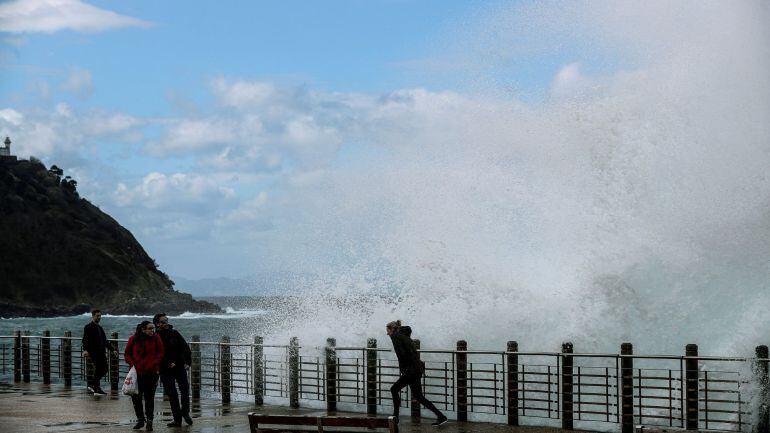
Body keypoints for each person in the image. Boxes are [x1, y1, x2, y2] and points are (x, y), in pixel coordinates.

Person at [387, 320, 448, 427]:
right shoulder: (405, 336)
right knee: (419, 396)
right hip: (417, 369)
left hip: (411, 371)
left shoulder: (396, 336)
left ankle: (395, 417)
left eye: (388, 331)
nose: (387, 334)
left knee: (394, 389)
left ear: (392, 329)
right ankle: (441, 416)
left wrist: (405, 369)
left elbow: (402, 354)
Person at [153, 313, 193, 427]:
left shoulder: (174, 333)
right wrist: (167, 363)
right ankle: (177, 420)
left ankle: (185, 413)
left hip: (179, 366)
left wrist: (187, 362)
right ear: (157, 324)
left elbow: (185, 347)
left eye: (167, 320)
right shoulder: (155, 337)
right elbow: (157, 353)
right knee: (172, 394)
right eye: (163, 321)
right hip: (165, 369)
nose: (166, 323)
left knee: (185, 390)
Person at [125, 320, 164, 431]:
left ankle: (150, 421)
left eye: (153, 328)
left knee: (149, 398)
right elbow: (127, 353)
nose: (153, 331)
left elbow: (160, 353)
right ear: (143, 329)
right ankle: (140, 419)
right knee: (136, 397)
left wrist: (154, 363)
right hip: (136, 373)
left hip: (151, 373)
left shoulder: (156, 338)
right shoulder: (133, 339)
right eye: (150, 329)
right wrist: (132, 364)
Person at [81, 309, 115, 395]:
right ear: (93, 316)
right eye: (97, 316)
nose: (99, 317)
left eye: (100, 316)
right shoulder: (88, 327)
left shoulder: (100, 328)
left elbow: (105, 341)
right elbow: (85, 339)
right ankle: (95, 386)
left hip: (101, 352)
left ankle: (94, 386)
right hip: (93, 352)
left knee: (104, 369)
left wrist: (112, 349)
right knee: (101, 369)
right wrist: (85, 350)